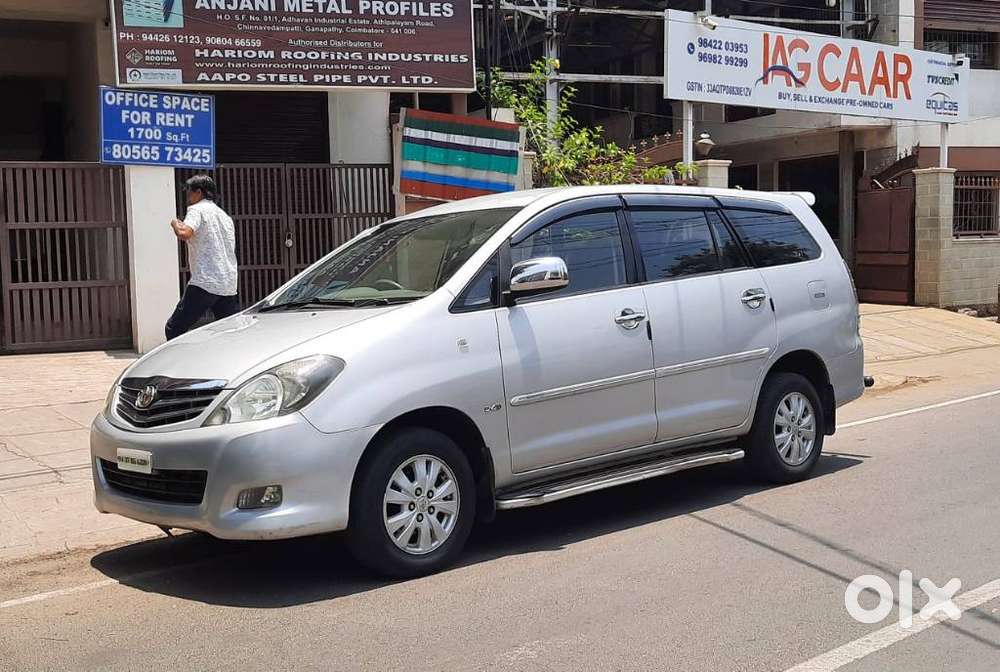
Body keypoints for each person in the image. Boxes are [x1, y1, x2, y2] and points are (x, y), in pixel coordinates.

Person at [165, 175, 239, 340]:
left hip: (205, 282)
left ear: (199, 192)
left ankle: (181, 365)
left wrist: (175, 222)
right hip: (228, 284)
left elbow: (185, 233)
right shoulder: (224, 216)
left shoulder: (197, 210)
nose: (188, 198)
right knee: (230, 334)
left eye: (189, 193)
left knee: (174, 328)